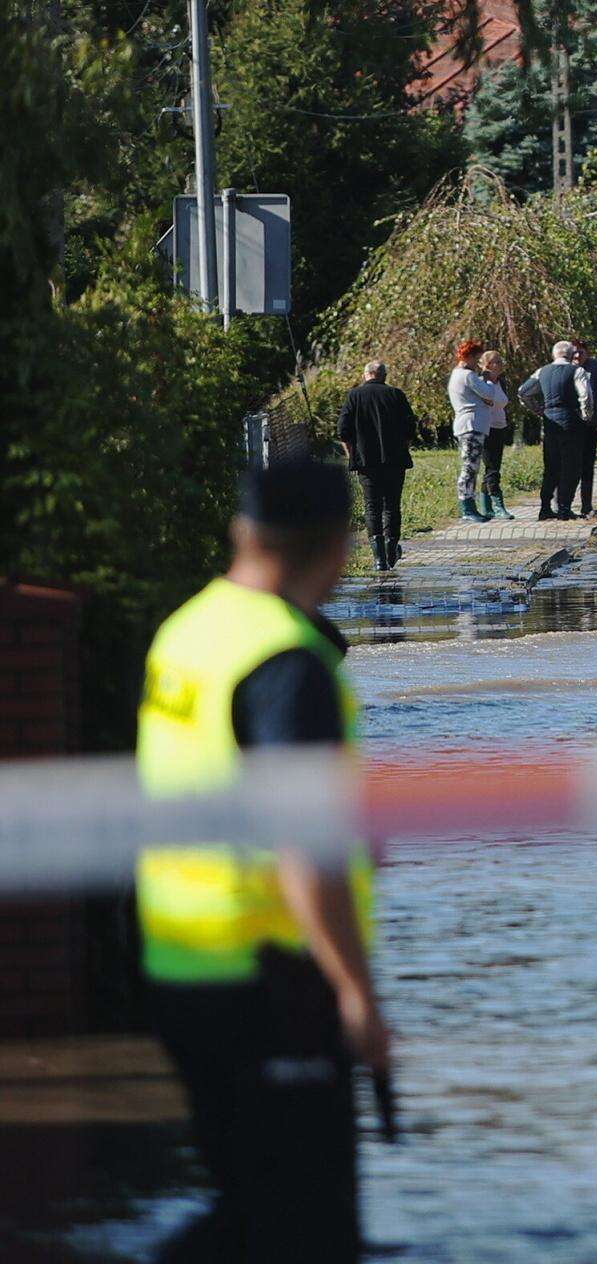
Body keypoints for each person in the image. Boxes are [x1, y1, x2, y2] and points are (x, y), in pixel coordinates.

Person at [136, 457, 389, 1262]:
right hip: (271, 978)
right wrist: (356, 993)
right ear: (341, 544)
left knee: (251, 1208)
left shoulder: (190, 628)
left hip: (181, 967)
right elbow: (302, 844)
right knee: (308, 1232)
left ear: (242, 531)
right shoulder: (286, 659)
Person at [336, 361, 414, 572]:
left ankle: (378, 559)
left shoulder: (354, 396)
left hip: (366, 462)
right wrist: (403, 448)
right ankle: (390, 552)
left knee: (372, 507)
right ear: (384, 375)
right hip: (395, 460)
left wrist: (351, 453)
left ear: (366, 374)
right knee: (392, 505)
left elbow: (343, 430)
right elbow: (410, 428)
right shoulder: (396, 395)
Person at [517, 340, 593, 521]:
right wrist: (586, 415)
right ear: (571, 354)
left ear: (554, 354)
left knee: (551, 466)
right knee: (571, 466)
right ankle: (564, 508)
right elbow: (585, 395)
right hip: (570, 422)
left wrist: (536, 408)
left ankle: (545, 507)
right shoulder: (577, 371)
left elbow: (523, 391)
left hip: (549, 423)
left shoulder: (542, 371)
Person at [447, 340, 505, 524]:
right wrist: (488, 378)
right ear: (469, 357)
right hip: (471, 425)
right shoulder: (467, 375)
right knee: (470, 467)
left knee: (472, 467)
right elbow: (489, 394)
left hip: (471, 425)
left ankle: (470, 506)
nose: (478, 363)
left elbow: (486, 399)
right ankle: (467, 508)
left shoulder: (459, 375)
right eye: (477, 359)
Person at [572, 341, 597, 518]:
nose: (578, 356)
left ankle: (586, 505)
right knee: (570, 466)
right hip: (572, 424)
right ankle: (563, 504)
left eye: (581, 352)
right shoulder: (567, 367)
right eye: (575, 353)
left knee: (587, 465)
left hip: (591, 423)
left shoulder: (593, 367)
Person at [478, 351, 515, 519]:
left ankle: (486, 507)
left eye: (500, 361)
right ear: (486, 365)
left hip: (500, 427)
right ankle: (499, 505)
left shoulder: (502, 383)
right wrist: (486, 379)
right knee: (492, 468)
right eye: (495, 362)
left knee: (493, 467)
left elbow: (503, 402)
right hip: (486, 428)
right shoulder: (481, 383)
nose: (500, 364)